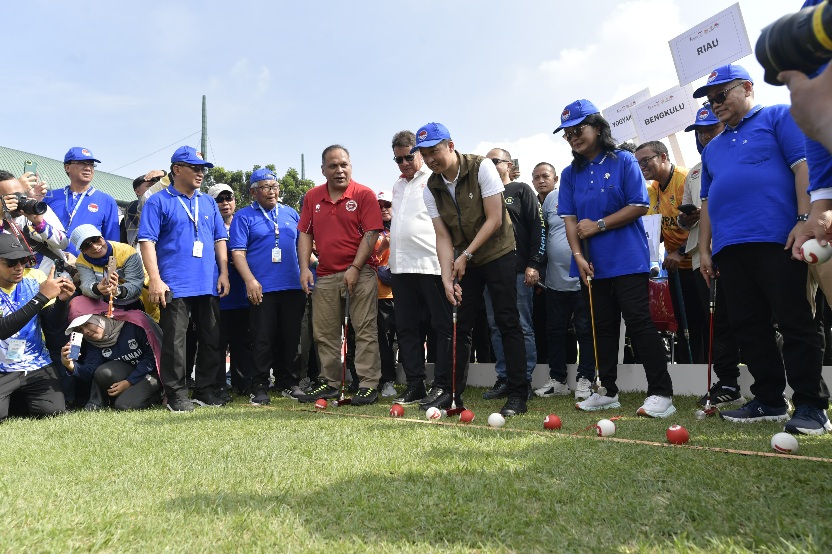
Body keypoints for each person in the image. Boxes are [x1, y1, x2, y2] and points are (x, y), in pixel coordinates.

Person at [696, 64, 830, 434]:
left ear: (747, 87)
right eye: (710, 99)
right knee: (749, 327)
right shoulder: (712, 147)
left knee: (795, 320)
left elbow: (804, 167)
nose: (715, 104)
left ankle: (812, 405)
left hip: (779, 239)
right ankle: (769, 400)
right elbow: (707, 202)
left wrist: (804, 218)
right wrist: (704, 249)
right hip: (729, 248)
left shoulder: (777, 117)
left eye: (721, 95)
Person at [555, 99, 676, 418]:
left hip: (627, 258)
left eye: (578, 129)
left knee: (639, 323)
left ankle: (661, 392)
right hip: (591, 263)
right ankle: (607, 390)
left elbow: (639, 205)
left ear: (597, 127)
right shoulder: (569, 173)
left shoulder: (623, 160)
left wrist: (599, 225)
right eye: (567, 134)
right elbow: (570, 220)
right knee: (601, 327)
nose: (573, 137)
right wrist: (578, 257)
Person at [417, 122, 528, 417]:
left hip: (498, 252)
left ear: (451, 146)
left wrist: (465, 254)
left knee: (507, 320)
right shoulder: (431, 188)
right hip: (465, 258)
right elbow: (442, 235)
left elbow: (494, 218)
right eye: (424, 155)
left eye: (434, 151)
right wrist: (446, 276)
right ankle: (451, 391)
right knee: (460, 325)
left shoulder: (481, 167)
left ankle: (518, 393)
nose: (430, 159)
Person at [138, 146, 230, 412]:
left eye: (203, 169)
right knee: (175, 342)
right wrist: (155, 279)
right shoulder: (158, 201)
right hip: (174, 283)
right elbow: (147, 242)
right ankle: (176, 393)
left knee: (211, 337)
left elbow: (220, 239)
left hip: (208, 281)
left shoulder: (208, 202)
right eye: (195, 168)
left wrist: (224, 272)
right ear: (177, 169)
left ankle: (205, 389)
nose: (201, 173)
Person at [296, 145, 383, 406]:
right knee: (324, 334)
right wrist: (304, 268)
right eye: (333, 166)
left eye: (344, 164)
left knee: (365, 329)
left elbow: (372, 233)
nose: (339, 170)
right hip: (324, 274)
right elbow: (305, 233)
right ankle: (330, 383)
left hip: (361, 272)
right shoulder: (312, 197)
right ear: (323, 170)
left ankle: (368, 384)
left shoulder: (364, 194)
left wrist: (355, 268)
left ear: (351, 166)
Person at [676, 105, 744, 408]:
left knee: (748, 317)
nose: (704, 136)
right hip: (699, 256)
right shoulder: (694, 171)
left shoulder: (740, 154)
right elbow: (684, 218)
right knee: (716, 323)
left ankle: (768, 383)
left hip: (735, 247)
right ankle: (727, 382)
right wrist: (687, 218)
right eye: (700, 132)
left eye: (710, 129)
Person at [386, 131, 451, 406]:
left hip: (431, 264)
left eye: (408, 157)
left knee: (442, 328)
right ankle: (415, 385)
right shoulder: (397, 185)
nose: (403, 164)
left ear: (419, 154)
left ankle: (443, 385)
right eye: (398, 159)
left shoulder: (436, 179)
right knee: (407, 329)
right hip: (401, 268)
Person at [230, 169, 305, 405]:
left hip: (292, 286)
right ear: (253, 192)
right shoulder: (243, 216)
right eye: (265, 187)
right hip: (262, 287)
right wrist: (250, 281)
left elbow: (302, 248)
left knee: (291, 337)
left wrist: (314, 268)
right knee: (262, 338)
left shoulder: (290, 213)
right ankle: (259, 385)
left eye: (275, 186)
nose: (271, 192)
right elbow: (238, 253)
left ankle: (289, 382)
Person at [480, 149, 545, 400]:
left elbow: (538, 228)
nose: (490, 165)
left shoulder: (521, 190)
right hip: (491, 272)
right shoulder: (483, 194)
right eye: (486, 162)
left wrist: (534, 264)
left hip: (519, 271)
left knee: (522, 326)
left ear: (509, 165)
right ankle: (504, 378)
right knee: (496, 326)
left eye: (495, 161)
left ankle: (523, 380)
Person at [634, 141, 703, 363]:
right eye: (638, 163)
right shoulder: (654, 188)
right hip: (675, 267)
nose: (642, 166)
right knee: (684, 325)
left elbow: (705, 221)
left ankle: (710, 371)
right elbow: (660, 228)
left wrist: (681, 252)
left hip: (699, 262)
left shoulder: (685, 179)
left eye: (646, 160)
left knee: (705, 322)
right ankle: (688, 371)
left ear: (663, 156)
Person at [534, 162, 596, 399]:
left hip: (582, 278)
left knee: (585, 330)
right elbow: (544, 233)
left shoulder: (590, 194)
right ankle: (558, 379)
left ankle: (586, 378)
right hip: (554, 281)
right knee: (555, 331)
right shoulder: (551, 198)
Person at [0, 234, 75, 421]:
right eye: (11, 263)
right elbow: (3, 330)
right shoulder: (40, 290)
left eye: (23, 260)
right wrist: (41, 298)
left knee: (54, 411)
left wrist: (62, 302)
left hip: (35, 364)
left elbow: (53, 327)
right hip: (1, 368)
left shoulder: (36, 279)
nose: (19, 267)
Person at [60, 297, 162, 410]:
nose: (86, 331)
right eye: (80, 329)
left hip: (154, 371)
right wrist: (70, 365)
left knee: (124, 405)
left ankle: (159, 393)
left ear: (100, 317)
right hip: (131, 372)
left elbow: (153, 356)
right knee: (103, 372)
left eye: (87, 324)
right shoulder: (93, 341)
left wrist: (129, 381)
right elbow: (91, 373)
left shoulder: (135, 323)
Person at [209, 183, 253, 400]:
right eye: (219, 199)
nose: (225, 203)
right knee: (217, 343)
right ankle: (218, 386)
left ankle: (242, 384)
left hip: (242, 295)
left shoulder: (244, 223)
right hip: (217, 294)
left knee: (242, 342)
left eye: (229, 198)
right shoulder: (207, 224)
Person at [71, 224, 157, 320]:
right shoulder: (81, 262)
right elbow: (86, 285)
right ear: (82, 251)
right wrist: (97, 289)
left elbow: (135, 285)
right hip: (103, 304)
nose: (95, 247)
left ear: (102, 236)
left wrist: (117, 291)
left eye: (95, 239)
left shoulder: (127, 251)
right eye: (86, 246)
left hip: (137, 301)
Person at [44, 147, 119, 256]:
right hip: (50, 260)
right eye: (82, 163)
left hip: (86, 263)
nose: (88, 168)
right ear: (67, 167)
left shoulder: (106, 201)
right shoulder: (50, 197)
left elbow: (112, 242)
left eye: (91, 164)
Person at [0, 170, 68, 275]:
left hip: (56, 278)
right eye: (12, 197)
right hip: (18, 282)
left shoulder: (36, 209)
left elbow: (63, 243)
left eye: (21, 194)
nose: (19, 200)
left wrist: (40, 224)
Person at [374, 190, 398, 398]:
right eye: (379, 205)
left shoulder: (403, 226)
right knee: (384, 341)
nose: (383, 209)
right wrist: (382, 248)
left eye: (387, 205)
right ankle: (387, 380)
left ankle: (415, 381)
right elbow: (369, 258)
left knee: (409, 337)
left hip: (406, 292)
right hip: (381, 295)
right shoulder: (371, 231)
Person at [121, 170, 166, 247]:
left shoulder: (163, 207)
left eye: (157, 185)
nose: (155, 188)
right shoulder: (133, 206)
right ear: (137, 191)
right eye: (150, 186)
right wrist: (166, 177)